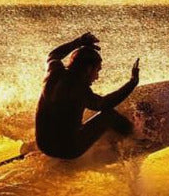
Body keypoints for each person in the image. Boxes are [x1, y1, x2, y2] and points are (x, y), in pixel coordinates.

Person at [35, 32, 140, 160]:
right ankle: (136, 138)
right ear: (89, 69)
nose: (97, 77)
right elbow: (104, 104)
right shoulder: (78, 89)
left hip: (43, 145)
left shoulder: (54, 72)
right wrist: (132, 83)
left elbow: (53, 55)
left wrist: (79, 41)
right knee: (108, 116)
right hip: (67, 150)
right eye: (97, 70)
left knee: (79, 116)